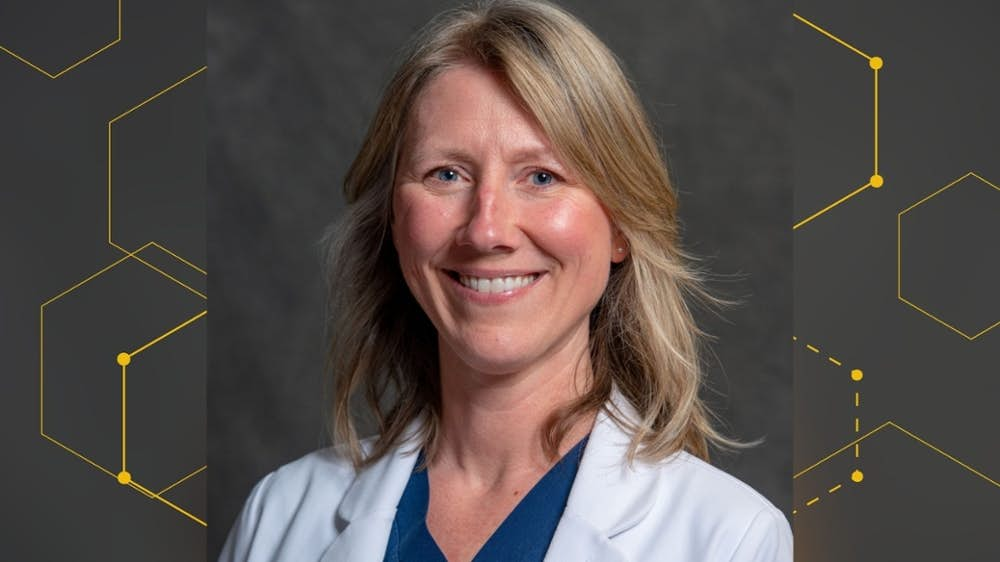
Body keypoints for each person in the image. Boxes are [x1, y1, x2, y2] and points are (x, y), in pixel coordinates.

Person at [220, 1, 792, 560]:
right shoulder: (281, 515)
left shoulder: (729, 538)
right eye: (446, 174)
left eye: (541, 176)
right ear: (395, 222)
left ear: (621, 226)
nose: (487, 229)